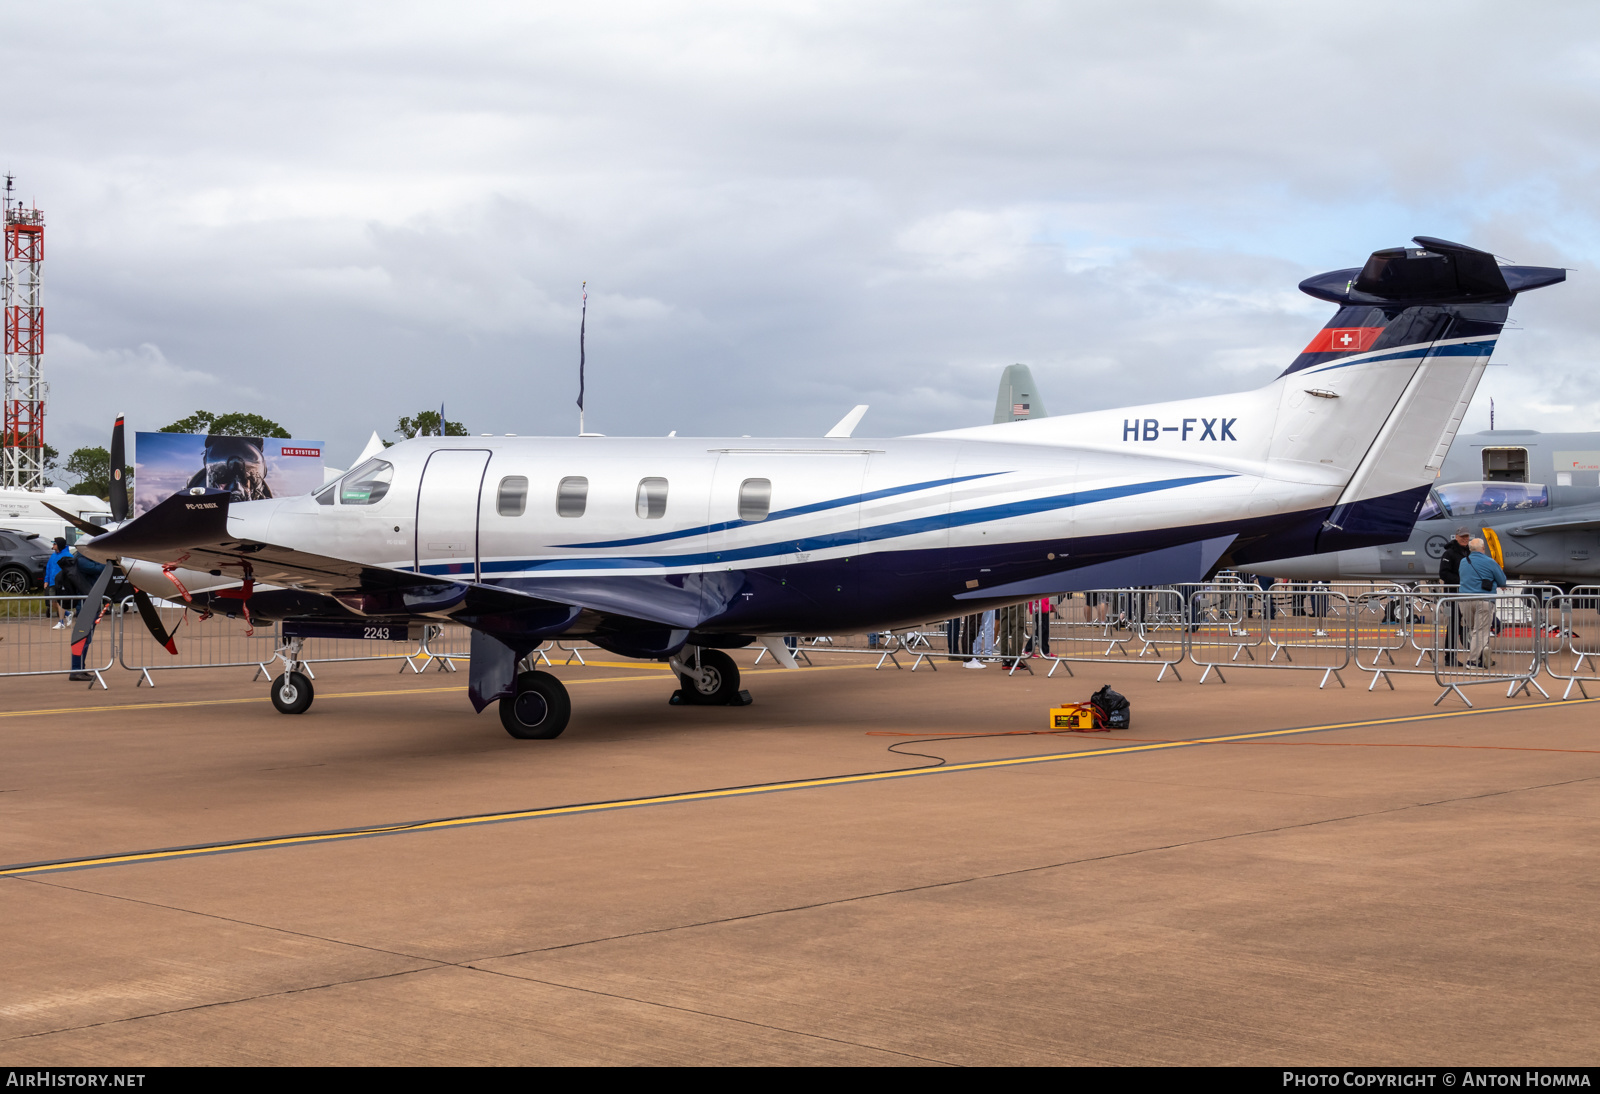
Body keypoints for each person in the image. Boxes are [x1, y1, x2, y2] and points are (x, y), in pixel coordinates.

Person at [1458, 537, 1508, 669]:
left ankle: (1482, 658)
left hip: (1464, 600)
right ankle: (1473, 660)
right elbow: (1502, 580)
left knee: (1474, 630)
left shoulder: (1463, 561)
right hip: (1483, 600)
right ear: (1483, 548)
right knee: (1480, 631)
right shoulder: (1490, 561)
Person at [1438, 526, 1472, 665]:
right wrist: (1462, 581)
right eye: (1462, 536)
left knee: (1468, 623)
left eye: (1466, 536)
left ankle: (1477, 655)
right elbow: (1443, 574)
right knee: (1453, 624)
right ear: (1456, 537)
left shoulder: (1470, 552)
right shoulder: (1449, 554)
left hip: (1468, 593)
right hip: (1453, 594)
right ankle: (1449, 657)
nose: (1464, 539)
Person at [44, 537, 71, 624]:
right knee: (53, 602)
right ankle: (67, 613)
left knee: (60, 602)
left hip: (62, 582)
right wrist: (46, 580)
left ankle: (61, 621)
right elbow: (48, 568)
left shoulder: (68, 556)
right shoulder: (53, 555)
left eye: (55, 544)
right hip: (52, 582)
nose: (53, 545)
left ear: (59, 545)